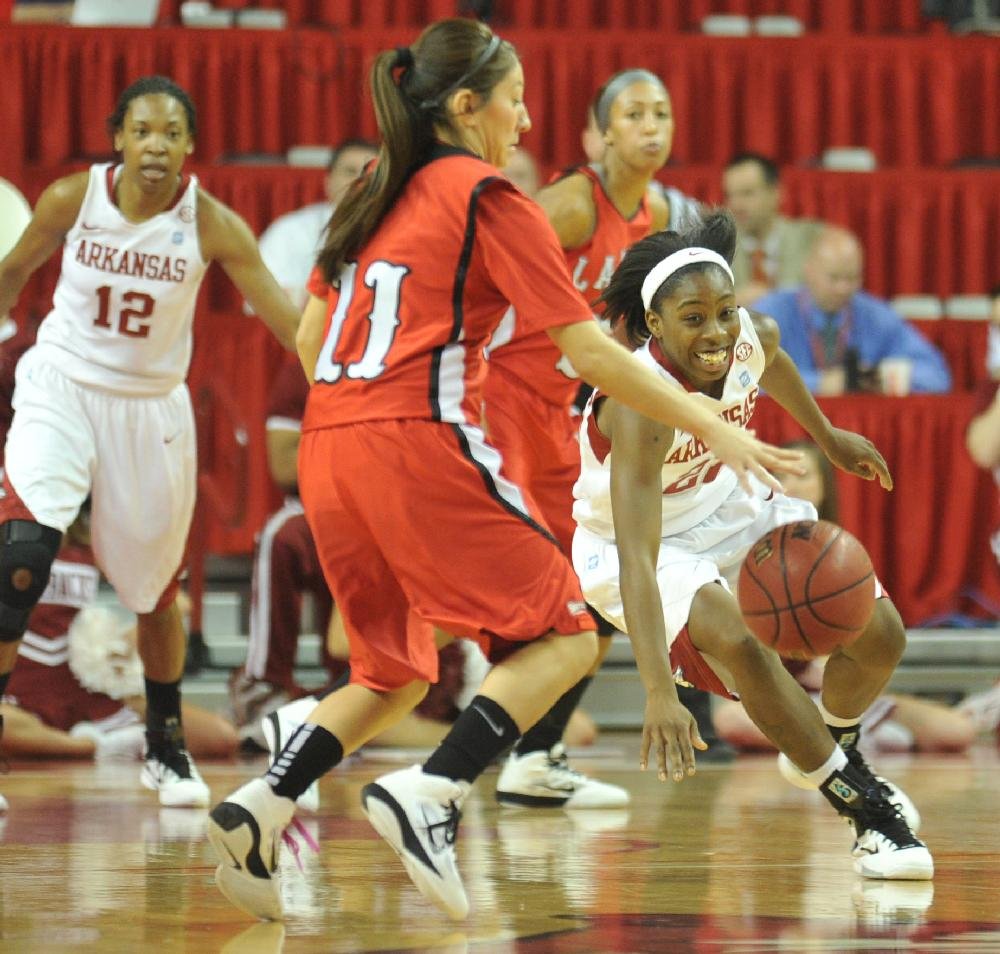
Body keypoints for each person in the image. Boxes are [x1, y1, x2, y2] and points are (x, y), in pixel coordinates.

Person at [205, 19, 801, 923]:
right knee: (566, 629)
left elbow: (307, 333)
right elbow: (595, 356)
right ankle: (436, 790)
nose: (526, 121)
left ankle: (263, 802)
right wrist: (718, 429)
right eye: (516, 99)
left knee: (392, 673)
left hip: (331, 442)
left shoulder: (376, 187)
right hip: (415, 434)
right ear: (466, 103)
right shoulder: (490, 197)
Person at [572, 209, 932, 881]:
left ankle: (828, 750)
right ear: (654, 325)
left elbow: (772, 359)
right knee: (737, 640)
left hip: (728, 502)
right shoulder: (638, 406)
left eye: (724, 312)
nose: (715, 332)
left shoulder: (748, 336)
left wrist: (830, 438)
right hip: (637, 544)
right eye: (693, 318)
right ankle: (868, 815)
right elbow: (639, 559)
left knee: (880, 634)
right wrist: (656, 690)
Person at [0, 75, 300, 809]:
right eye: (142, 131)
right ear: (119, 140)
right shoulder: (75, 199)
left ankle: (164, 743)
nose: (156, 145)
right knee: (19, 556)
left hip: (147, 408)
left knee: (153, 592)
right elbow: (12, 273)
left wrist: (348, 377)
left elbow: (286, 320)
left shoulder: (212, 224)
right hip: (62, 385)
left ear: (190, 145)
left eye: (171, 132)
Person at [482, 67, 724, 811]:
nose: (651, 126)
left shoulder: (657, 217)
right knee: (544, 591)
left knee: (604, 585)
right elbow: (482, 266)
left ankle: (535, 753)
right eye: (633, 114)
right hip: (509, 403)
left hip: (568, 415)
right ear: (600, 134)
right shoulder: (572, 204)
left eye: (662, 112)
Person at [712, 439, 977, 754]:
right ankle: (856, 741)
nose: (790, 485)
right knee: (730, 720)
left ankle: (832, 738)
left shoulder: (841, 554)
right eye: (780, 477)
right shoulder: (744, 549)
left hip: (832, 695)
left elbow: (872, 645)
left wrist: (832, 661)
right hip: (771, 691)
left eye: (802, 475)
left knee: (957, 731)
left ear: (825, 486)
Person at [1, 509, 239, 761]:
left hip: (85, 692)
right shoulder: (9, 531)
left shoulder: (91, 537)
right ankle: (93, 747)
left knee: (221, 738)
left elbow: (175, 601)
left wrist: (119, 645)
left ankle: (69, 743)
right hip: (16, 691)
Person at [753, 227, 952, 396]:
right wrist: (818, 385)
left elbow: (937, 376)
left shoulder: (877, 317)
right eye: (834, 278)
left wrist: (877, 377)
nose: (843, 288)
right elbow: (738, 375)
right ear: (809, 272)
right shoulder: (771, 313)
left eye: (852, 278)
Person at [255, 138, 379, 310]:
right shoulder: (291, 231)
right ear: (328, 180)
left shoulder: (403, 233)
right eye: (350, 171)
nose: (359, 180)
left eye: (370, 174)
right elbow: (262, 302)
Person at [722, 152, 824, 307]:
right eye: (730, 195)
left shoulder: (813, 241)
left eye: (747, 193)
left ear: (777, 193)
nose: (736, 205)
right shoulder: (719, 249)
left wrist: (772, 299)